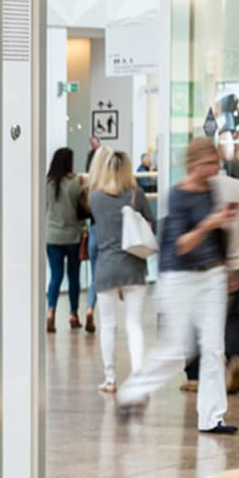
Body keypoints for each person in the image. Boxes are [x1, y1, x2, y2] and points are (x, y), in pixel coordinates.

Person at [116, 136, 238, 435]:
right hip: (180, 277)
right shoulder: (178, 195)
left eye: (216, 164)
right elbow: (182, 245)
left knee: (213, 348)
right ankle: (131, 391)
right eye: (209, 164)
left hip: (212, 276)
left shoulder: (212, 190)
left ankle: (212, 417)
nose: (214, 169)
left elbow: (215, 237)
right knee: (175, 348)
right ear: (193, 164)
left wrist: (228, 267)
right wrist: (211, 222)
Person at [86, 150, 155, 394]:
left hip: (106, 266)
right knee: (134, 324)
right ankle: (137, 375)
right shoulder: (136, 195)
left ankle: (110, 378)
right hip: (133, 266)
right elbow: (151, 222)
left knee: (107, 325)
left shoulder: (95, 198)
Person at [184, 170, 239, 395]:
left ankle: (194, 375)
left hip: (200, 266)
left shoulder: (193, 189)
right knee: (231, 317)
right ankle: (234, 358)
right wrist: (238, 250)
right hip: (231, 265)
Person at [45, 147, 86, 333]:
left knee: (55, 275)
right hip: (72, 236)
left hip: (52, 236)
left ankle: (50, 311)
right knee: (73, 277)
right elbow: (83, 205)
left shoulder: (48, 183)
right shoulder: (75, 182)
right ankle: (73, 314)